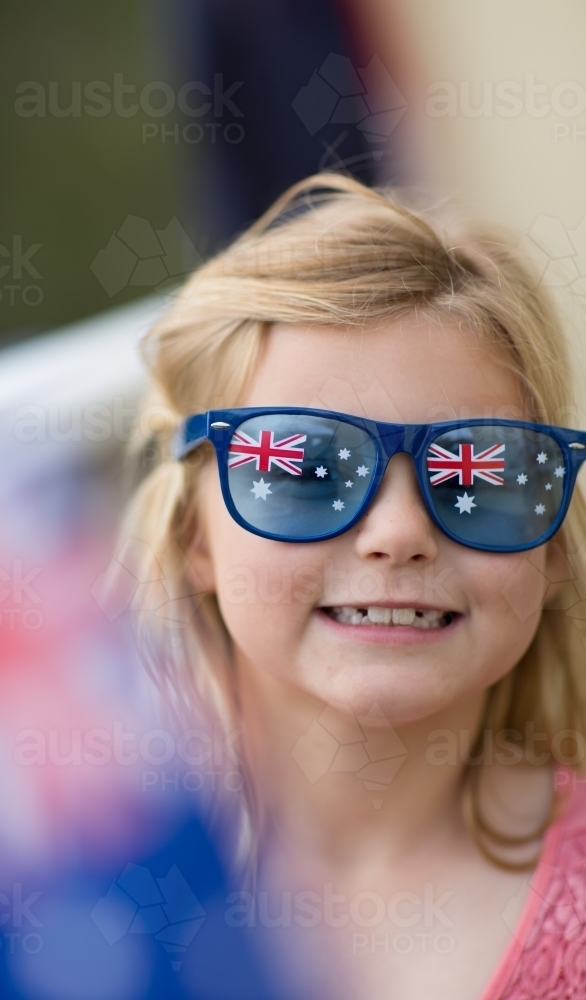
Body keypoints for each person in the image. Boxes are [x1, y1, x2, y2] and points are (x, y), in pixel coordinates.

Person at [116, 173, 586, 999]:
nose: (398, 532)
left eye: (481, 471)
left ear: (550, 548)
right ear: (195, 532)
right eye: (300, 468)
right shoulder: (85, 887)